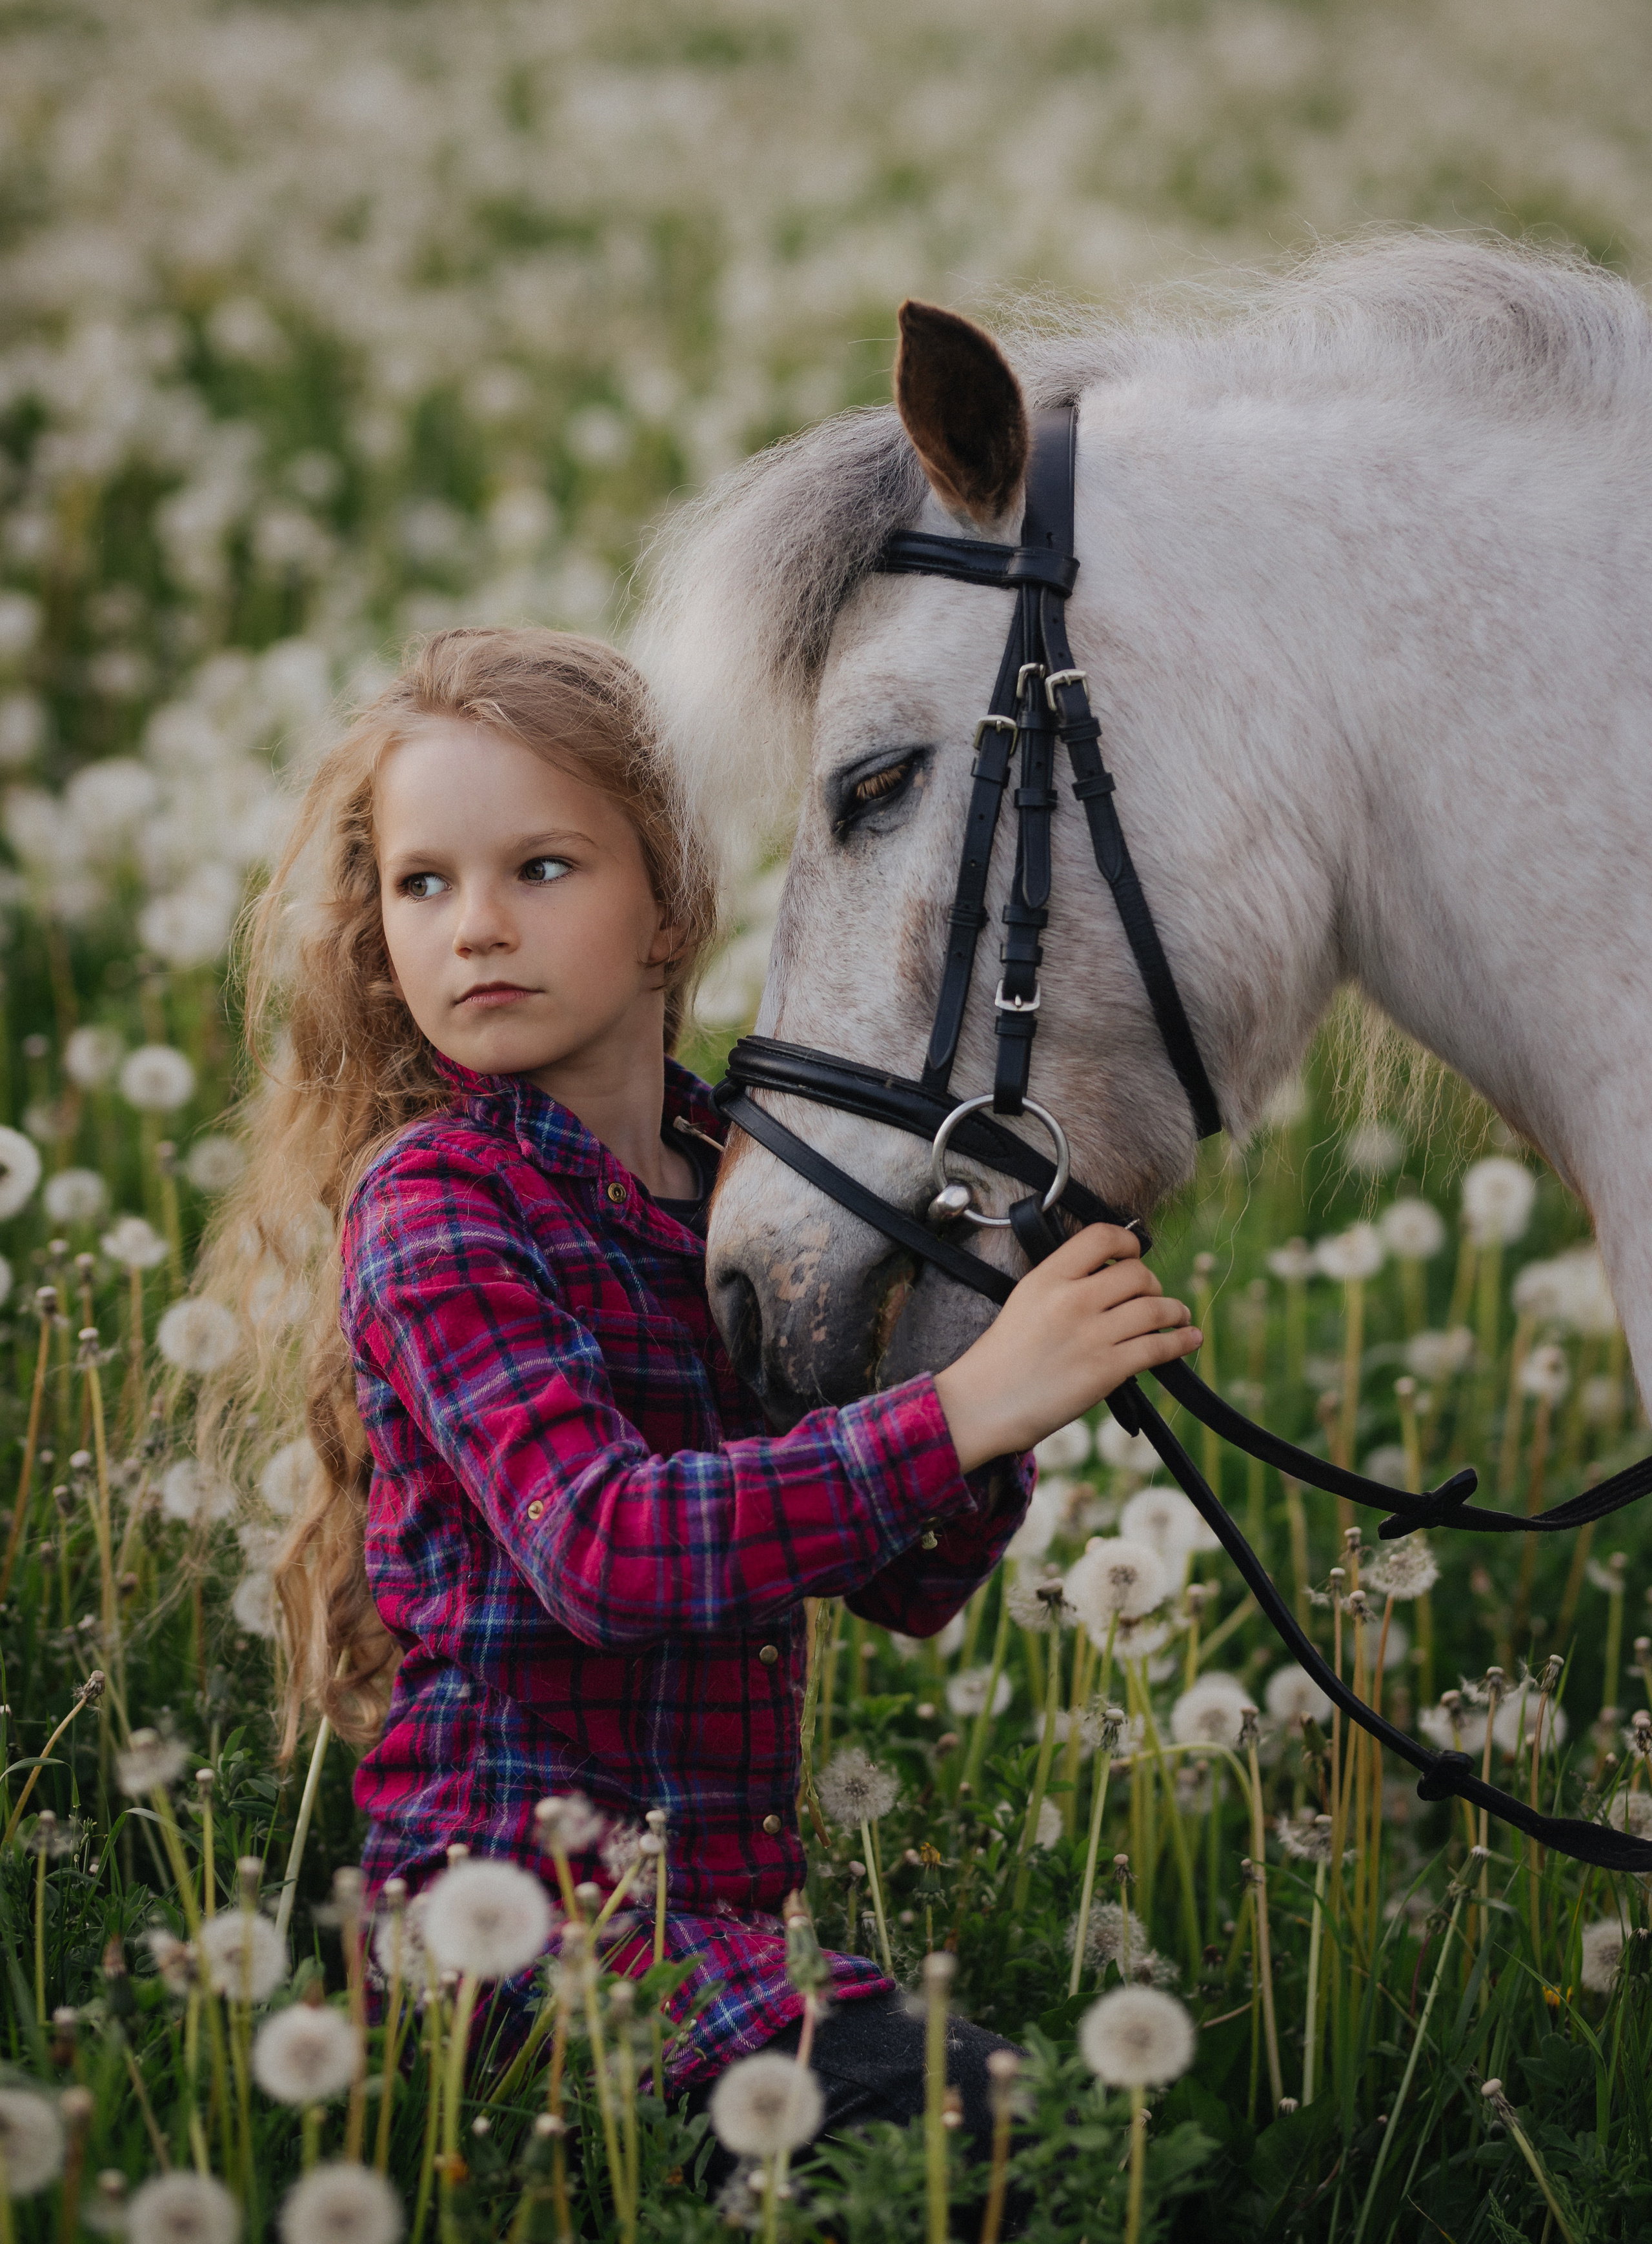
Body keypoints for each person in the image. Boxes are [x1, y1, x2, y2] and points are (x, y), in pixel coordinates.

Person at [197, 624, 1201, 2136]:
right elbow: (604, 1551)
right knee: (971, 2140)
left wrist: (997, 1365)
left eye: (540, 869)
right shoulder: (436, 1206)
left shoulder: (741, 1188)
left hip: (719, 1931)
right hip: (519, 1930)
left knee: (1030, 2141)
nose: (475, 926)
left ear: (669, 906)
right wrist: (965, 1409)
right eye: (425, 883)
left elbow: (902, 1588)